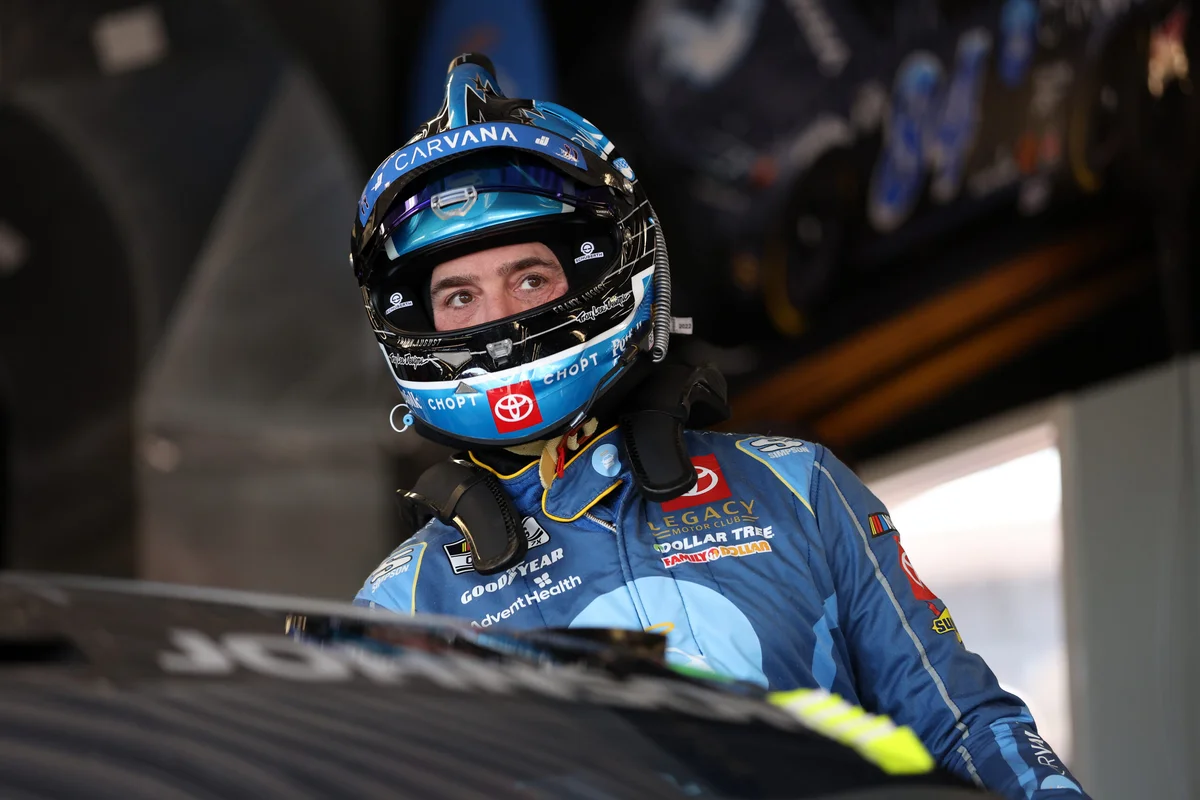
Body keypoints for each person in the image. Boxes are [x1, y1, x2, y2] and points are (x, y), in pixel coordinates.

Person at [350, 54, 1088, 799]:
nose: (500, 319)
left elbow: (963, 726)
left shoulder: (795, 487)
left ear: (599, 269)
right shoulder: (405, 602)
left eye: (530, 278)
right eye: (460, 296)